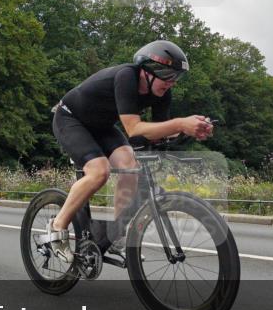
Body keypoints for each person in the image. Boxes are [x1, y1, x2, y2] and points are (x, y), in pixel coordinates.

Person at [47, 40, 211, 262]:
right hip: (70, 118)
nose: (171, 82)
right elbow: (133, 129)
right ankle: (57, 228)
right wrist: (181, 123)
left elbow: (158, 131)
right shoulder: (126, 76)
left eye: (176, 77)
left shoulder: (161, 93)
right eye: (167, 75)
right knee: (99, 171)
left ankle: (116, 237)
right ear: (147, 70)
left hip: (102, 126)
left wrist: (192, 129)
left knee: (129, 166)